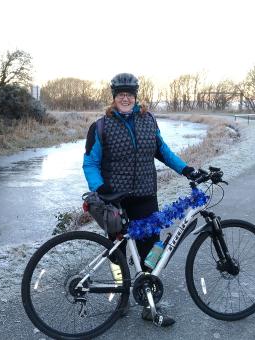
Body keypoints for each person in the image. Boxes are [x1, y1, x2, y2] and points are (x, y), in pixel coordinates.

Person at [82, 72, 199, 327]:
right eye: (120, 95)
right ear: (114, 98)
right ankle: (122, 297)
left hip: (146, 196)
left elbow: (163, 152)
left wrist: (186, 169)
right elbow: (90, 162)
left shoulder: (149, 121)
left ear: (136, 97)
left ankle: (148, 301)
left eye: (129, 94)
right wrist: (100, 188)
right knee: (117, 253)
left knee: (151, 249)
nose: (125, 98)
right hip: (116, 199)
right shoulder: (101, 126)